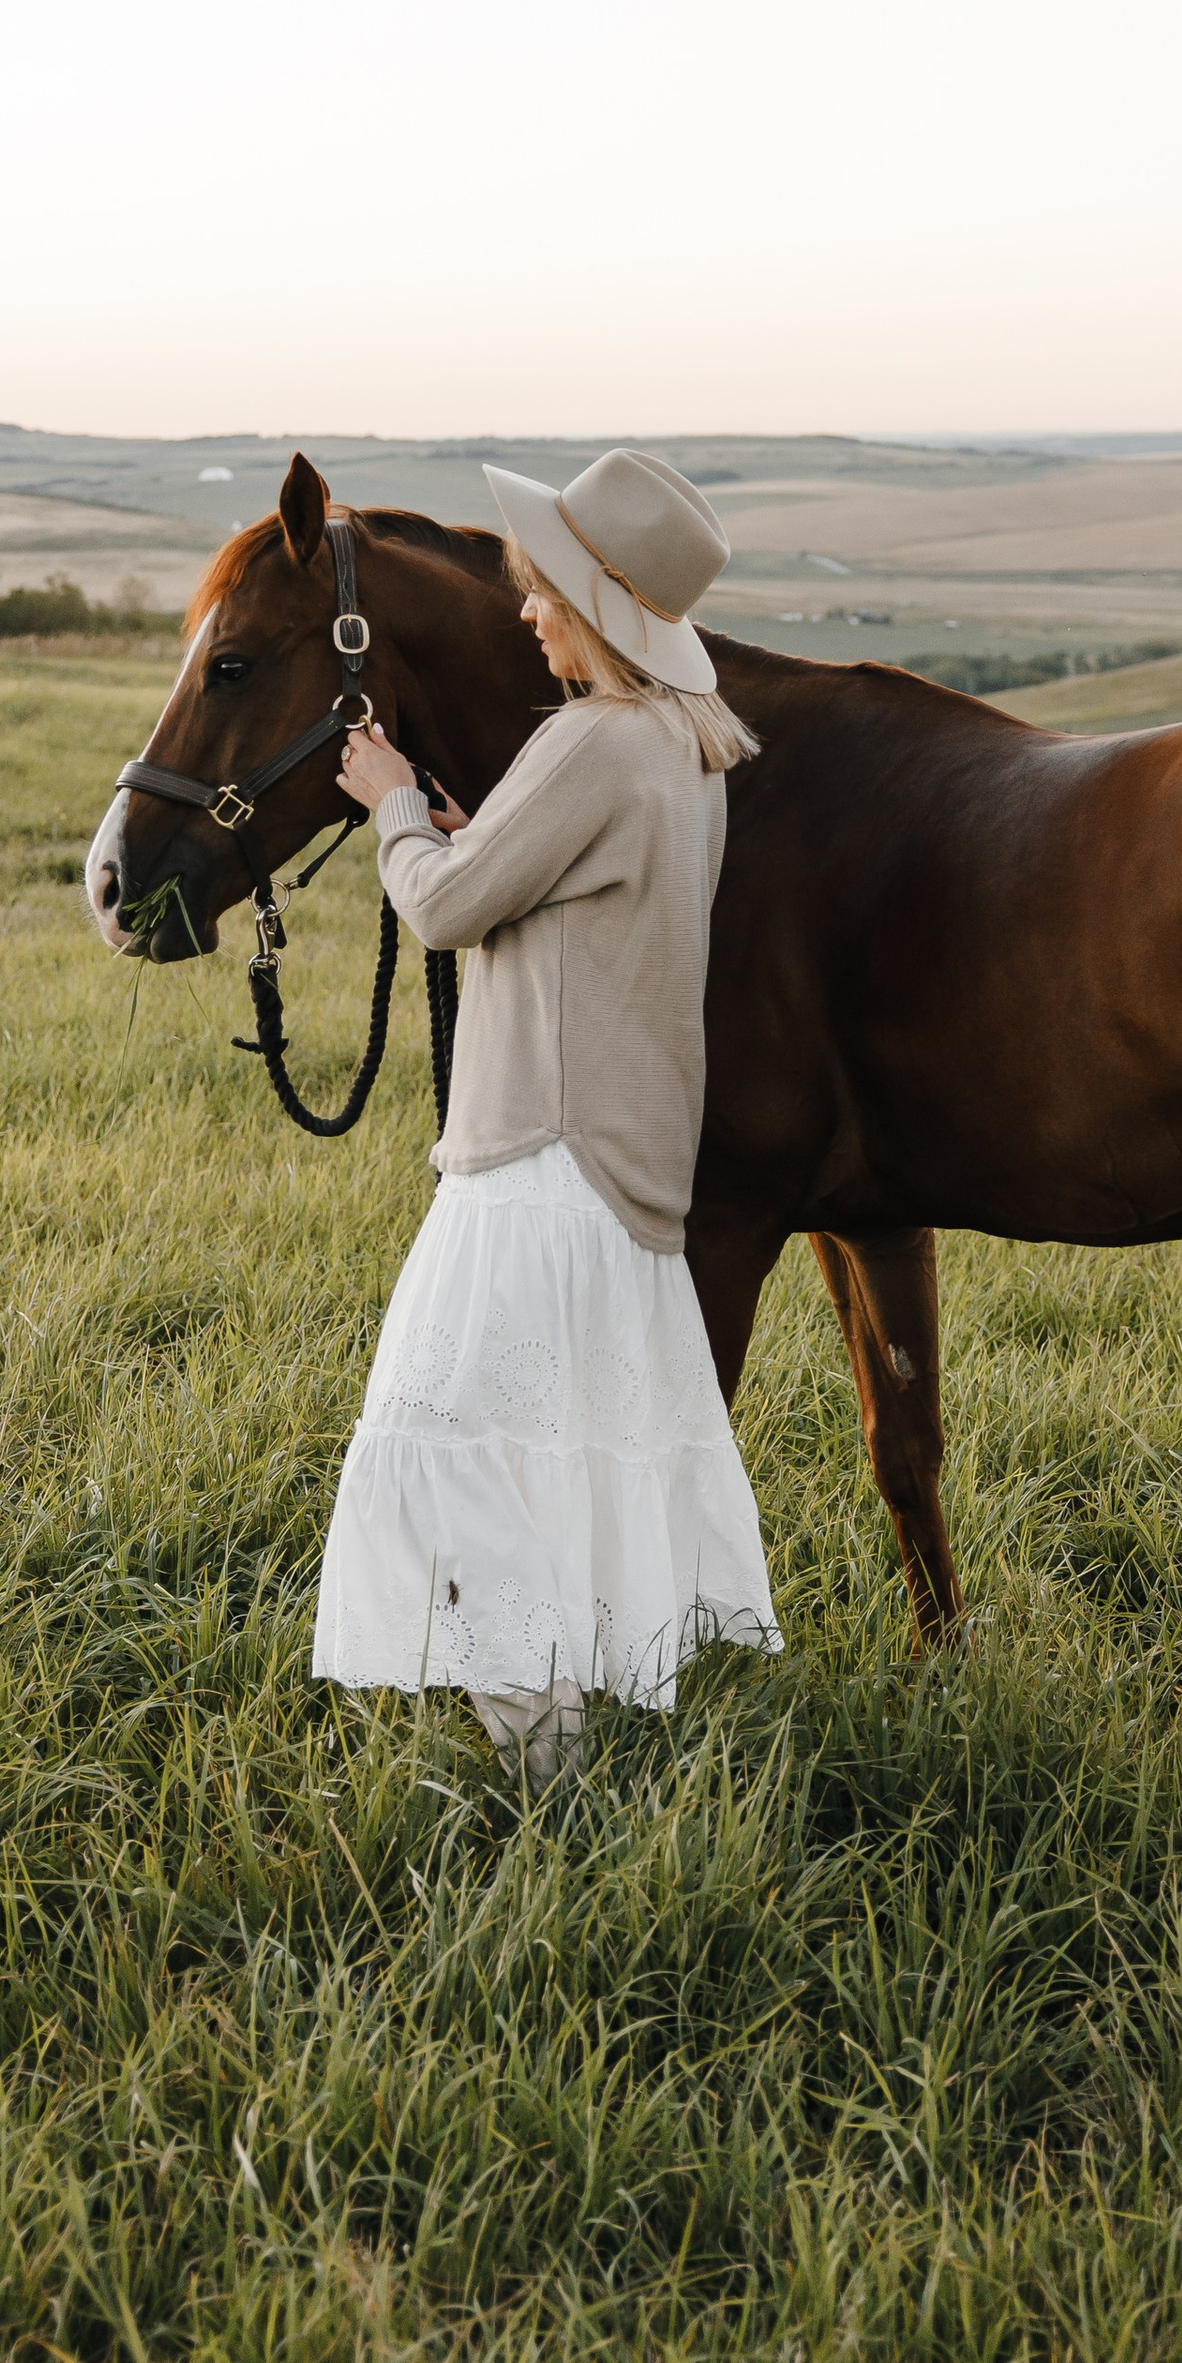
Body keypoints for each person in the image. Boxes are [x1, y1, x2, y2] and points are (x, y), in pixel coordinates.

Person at [310, 448, 780, 1783]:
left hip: (538, 1160)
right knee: (553, 1449)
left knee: (455, 1445)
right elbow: (566, 903)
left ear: (601, 608)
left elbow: (448, 910)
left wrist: (394, 803)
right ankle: (559, 1732)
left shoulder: (587, 741)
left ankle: (544, 1766)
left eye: (545, 591)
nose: (526, 611)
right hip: (625, 1169)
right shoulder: (687, 748)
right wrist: (472, 831)